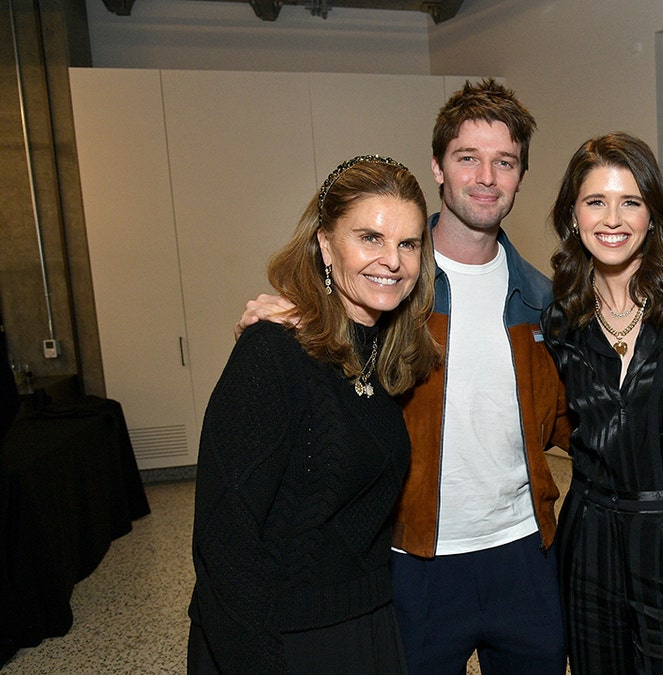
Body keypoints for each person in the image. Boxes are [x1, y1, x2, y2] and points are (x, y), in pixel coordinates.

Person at [237, 79, 572, 675]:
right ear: (439, 168)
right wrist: (293, 313)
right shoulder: (391, 288)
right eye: (467, 158)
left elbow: (576, 419)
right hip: (415, 559)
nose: (486, 177)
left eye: (505, 162)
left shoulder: (542, 299)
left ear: (521, 176)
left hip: (525, 554)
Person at [189, 155, 440, 673]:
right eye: (370, 238)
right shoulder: (273, 352)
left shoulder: (383, 354)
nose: (392, 261)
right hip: (281, 641)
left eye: (408, 244)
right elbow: (224, 539)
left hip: (365, 626)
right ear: (325, 244)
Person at [540, 133, 663, 674]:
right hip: (592, 540)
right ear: (573, 217)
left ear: (653, 215)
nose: (613, 218)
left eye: (631, 201)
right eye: (595, 201)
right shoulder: (560, 322)